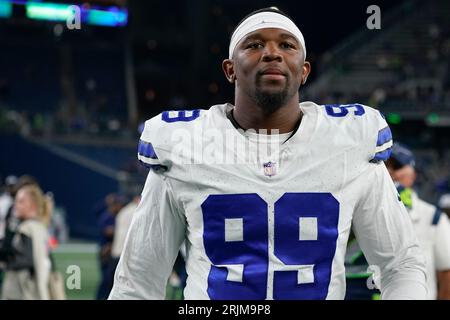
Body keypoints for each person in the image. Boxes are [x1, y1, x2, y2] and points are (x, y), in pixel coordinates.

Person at [109, 7, 426, 300]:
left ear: (303, 71)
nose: (272, 53)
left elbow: (399, 266)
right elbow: (138, 282)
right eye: (254, 45)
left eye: (287, 46)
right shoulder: (184, 147)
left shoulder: (350, 143)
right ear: (230, 69)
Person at [385, 143, 450, 300]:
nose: (388, 172)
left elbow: (446, 272)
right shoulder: (352, 211)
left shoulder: (432, 217)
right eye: (383, 165)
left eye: (397, 166)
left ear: (412, 175)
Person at [1, 184, 52, 299]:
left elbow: (27, 259)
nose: (16, 205)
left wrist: (7, 262)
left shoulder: (28, 228)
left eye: (21, 201)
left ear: (32, 205)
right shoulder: (38, 227)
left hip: (24, 293)